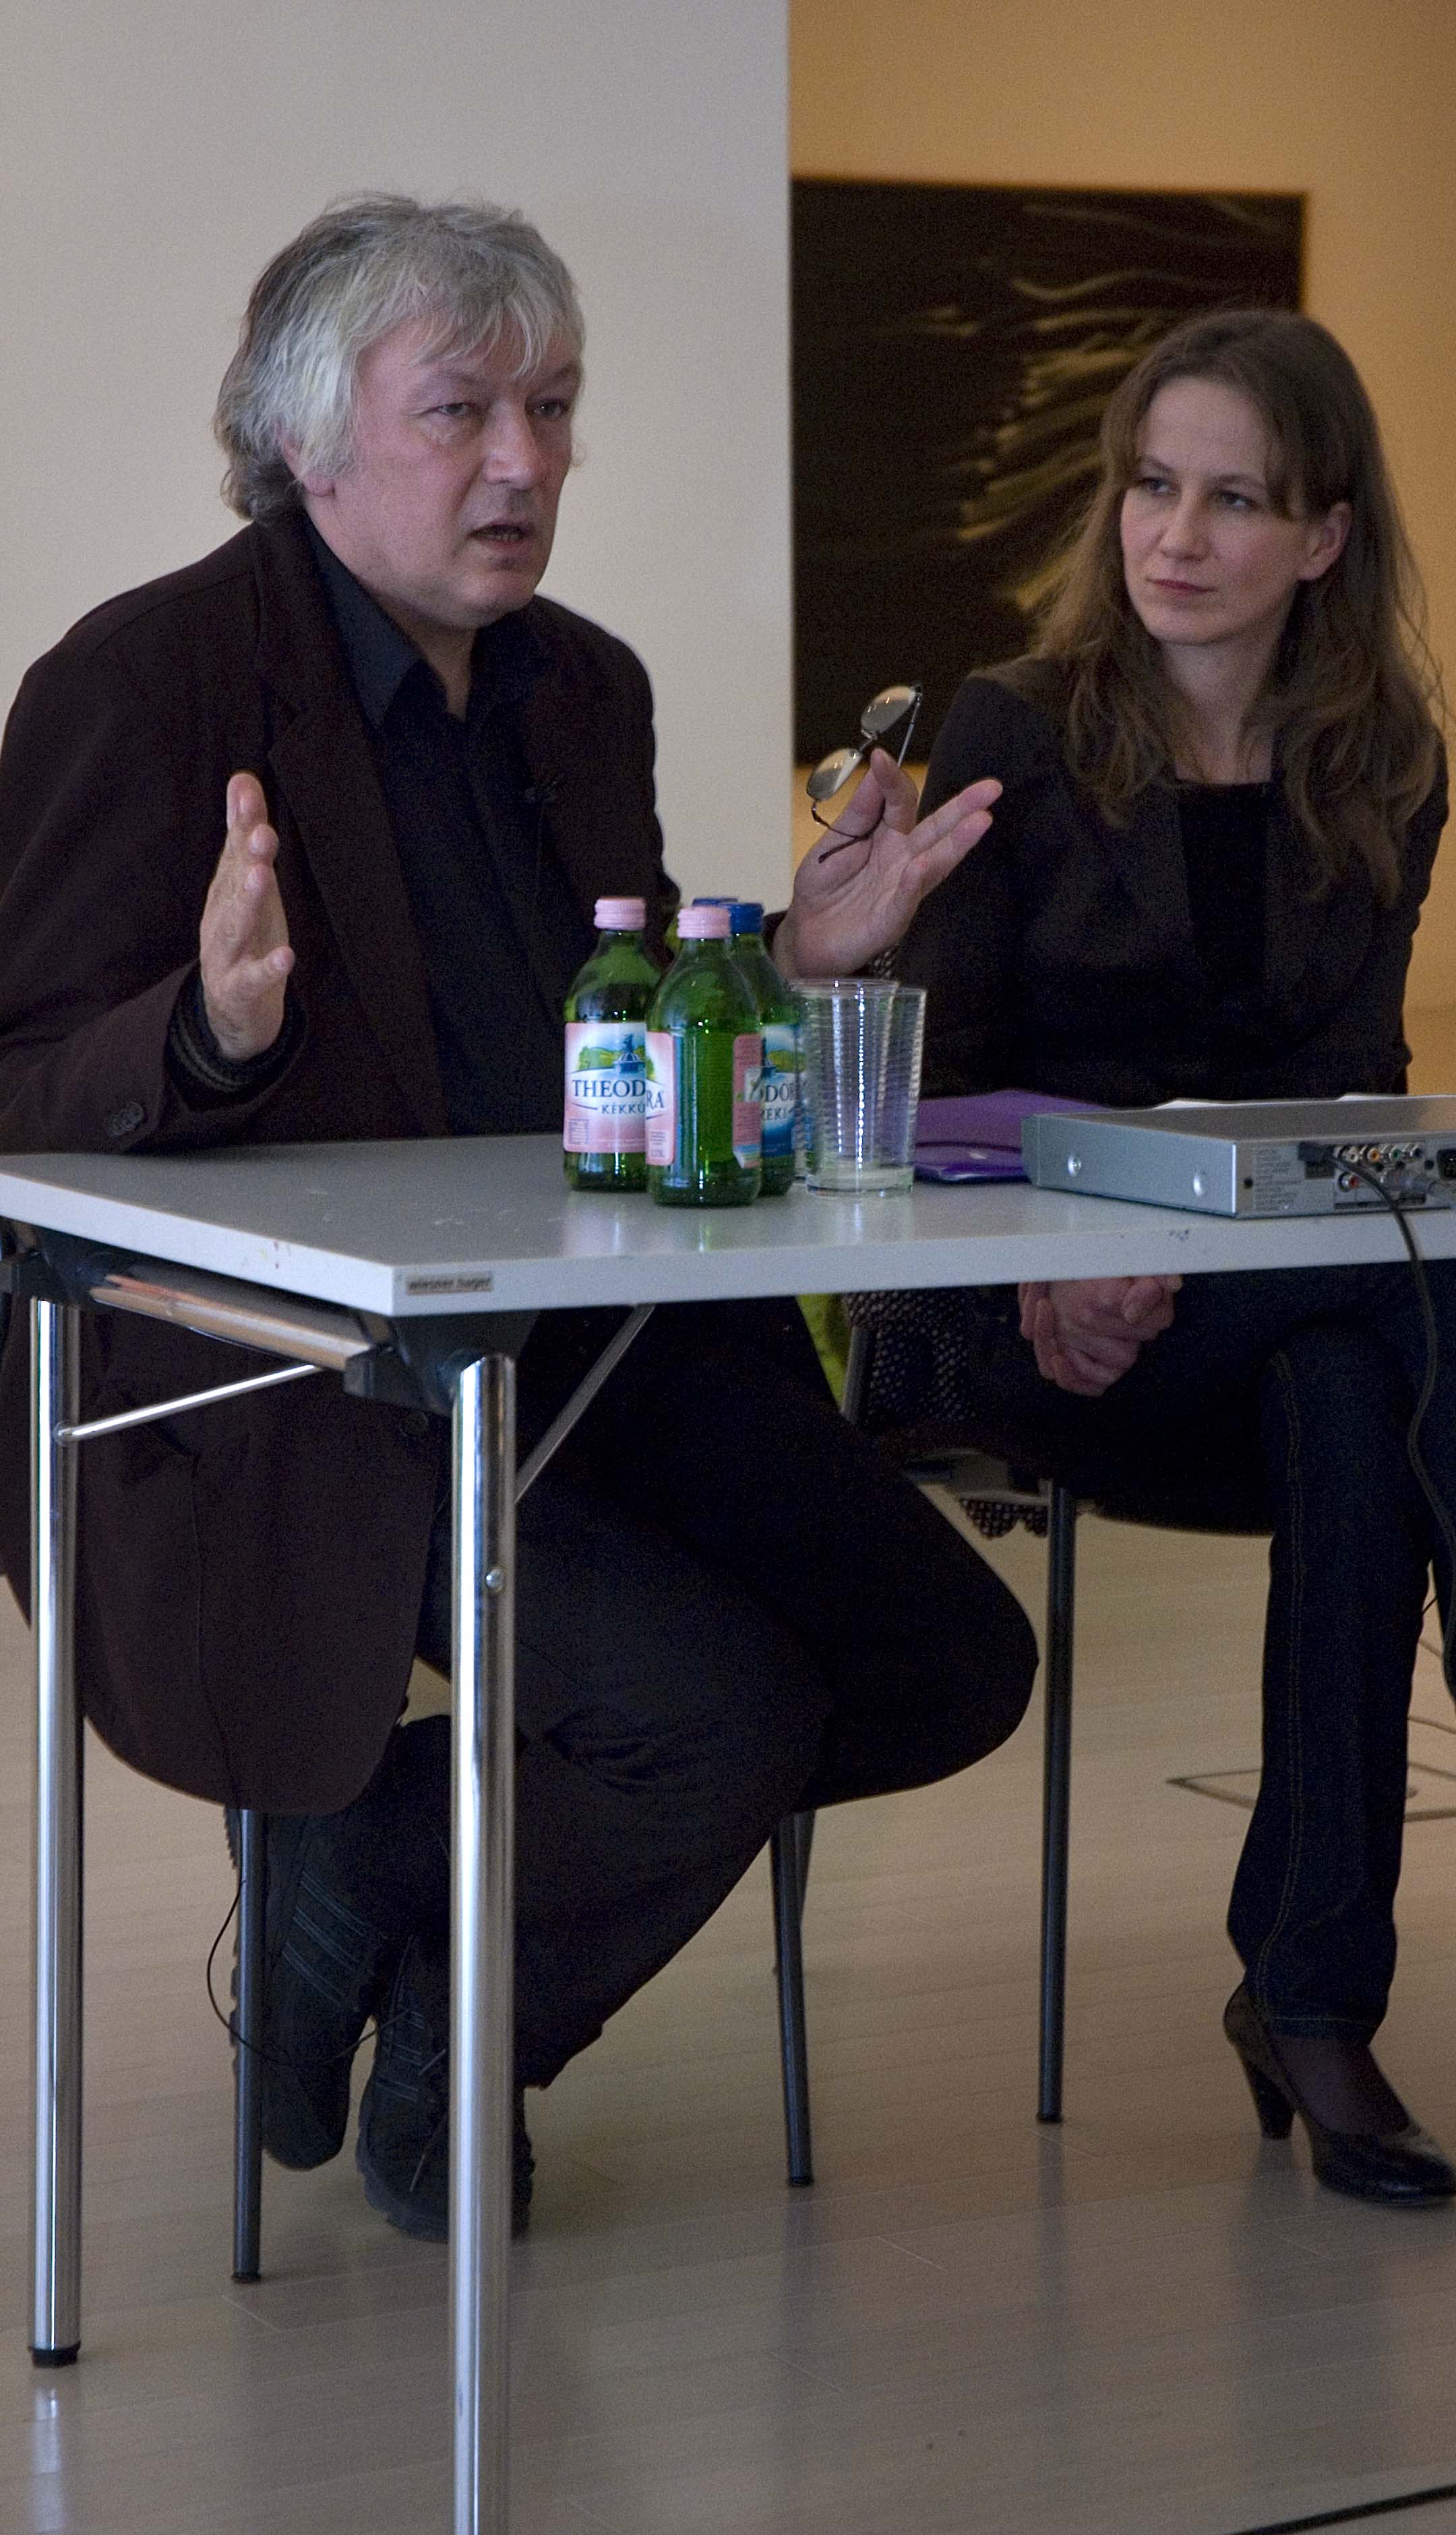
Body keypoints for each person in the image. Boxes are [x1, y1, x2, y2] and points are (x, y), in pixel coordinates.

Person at [0, 193, 1035, 2239]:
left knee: (940, 1664)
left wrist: (790, 972)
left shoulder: (586, 688)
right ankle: (481, 2037)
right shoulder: (146, 680)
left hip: (599, 1344)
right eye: (461, 410)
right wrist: (202, 1036)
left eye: (552, 409)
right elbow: (22, 1077)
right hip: (303, 1393)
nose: (523, 462)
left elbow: (599, 1047)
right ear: (306, 441)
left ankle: (369, 1869)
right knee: (704, 1720)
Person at [840, 307, 1456, 2206]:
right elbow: (931, 1089)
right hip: (1029, 1322)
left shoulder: (1380, 755)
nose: (1176, 535)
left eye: (1234, 499)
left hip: (1272, 1317)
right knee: (1433, 1282)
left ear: (1322, 537)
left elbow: (1347, 1092)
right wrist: (1055, 1259)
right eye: (1152, 485)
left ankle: (1312, 2002)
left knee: (1356, 1388)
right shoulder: (1016, 727)